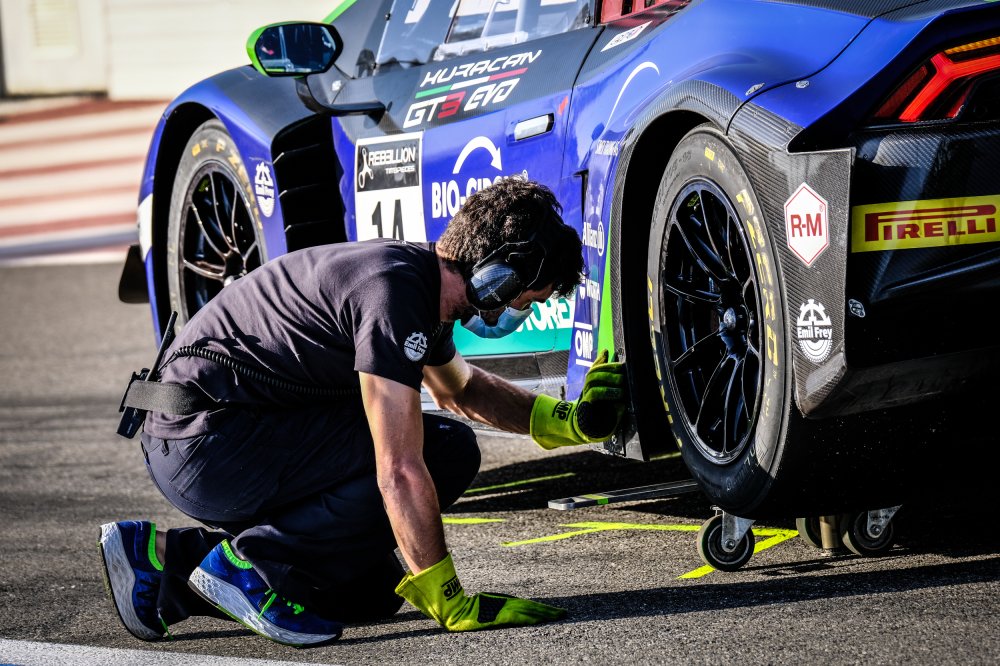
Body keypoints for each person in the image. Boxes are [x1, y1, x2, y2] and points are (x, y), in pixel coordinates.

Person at [99, 178, 626, 646]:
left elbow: (461, 391)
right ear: (497, 276)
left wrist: (568, 421)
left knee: (366, 595)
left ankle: (160, 561)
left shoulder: (414, 281)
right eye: (525, 300)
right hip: (207, 444)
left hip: (210, 435)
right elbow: (398, 470)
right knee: (443, 452)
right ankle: (252, 565)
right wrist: (448, 597)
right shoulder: (393, 293)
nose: (520, 313)